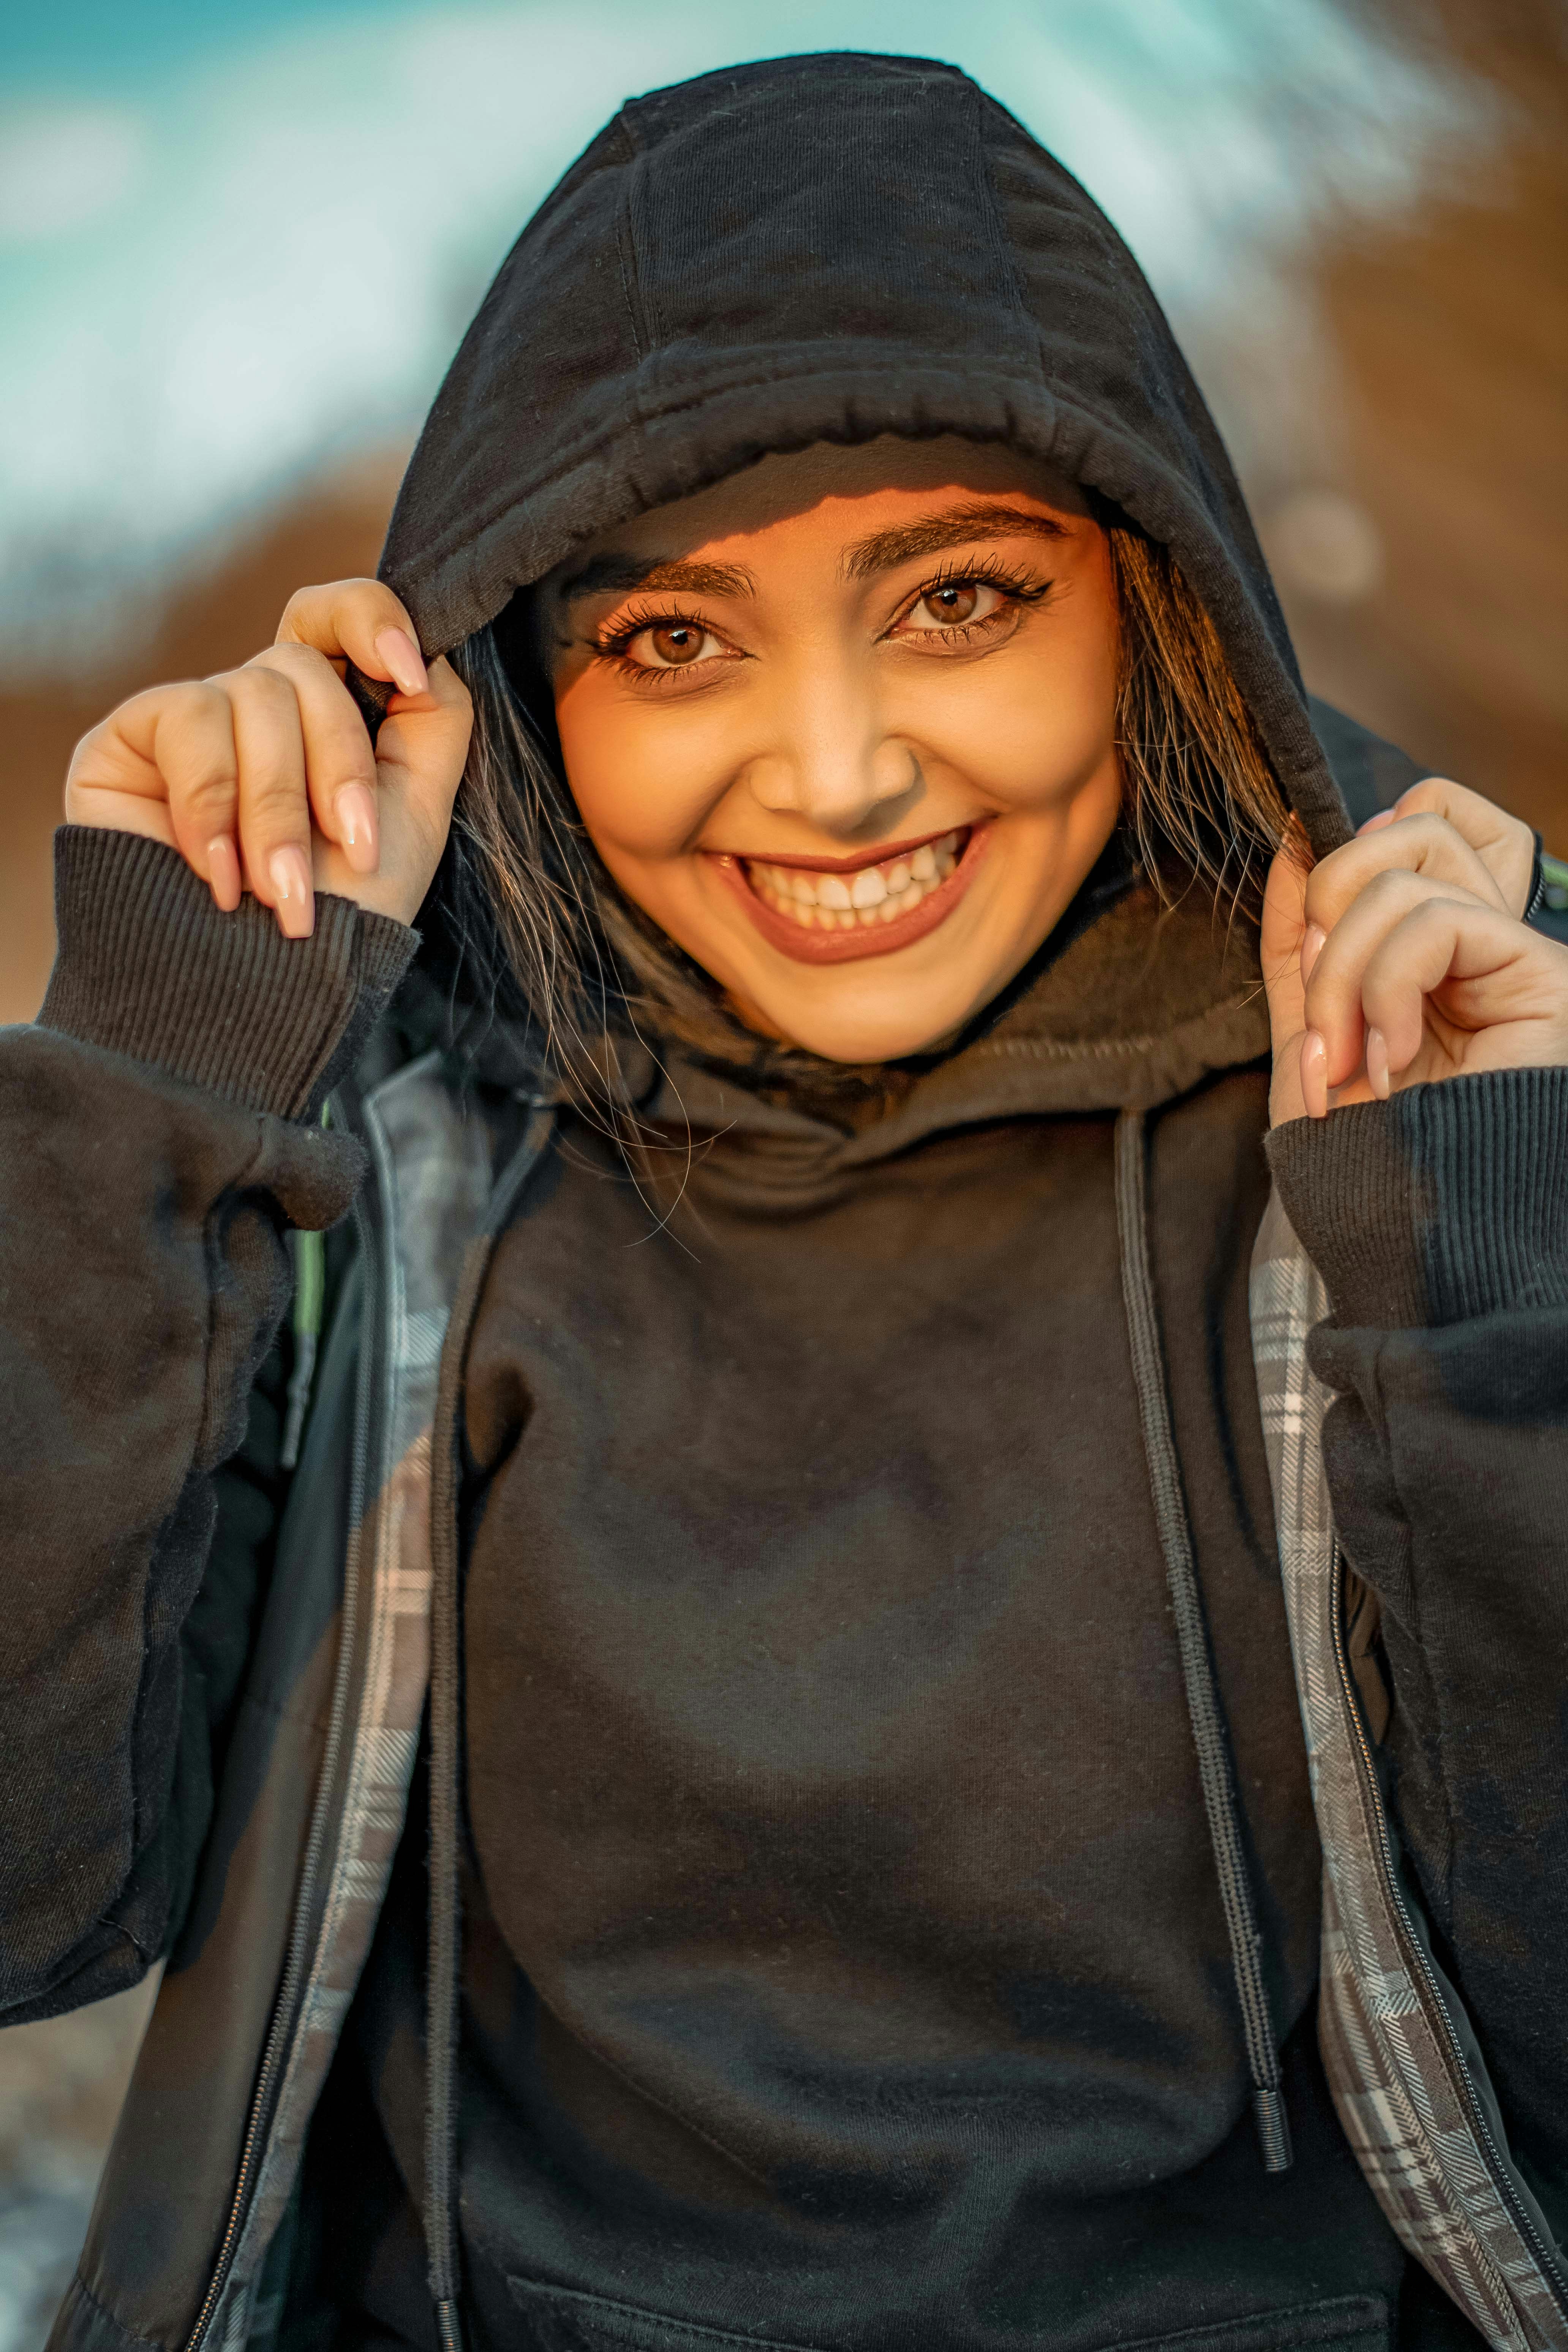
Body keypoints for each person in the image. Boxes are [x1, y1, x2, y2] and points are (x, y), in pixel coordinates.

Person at [2, 51, 1565, 2352]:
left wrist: (1494, 1272)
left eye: (955, 602)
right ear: (521, 673)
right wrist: (159, 1070)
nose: (835, 778)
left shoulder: (1427, 1104)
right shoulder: (397, 1153)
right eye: (670, 641)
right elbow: (32, 1892)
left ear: (1161, 601)